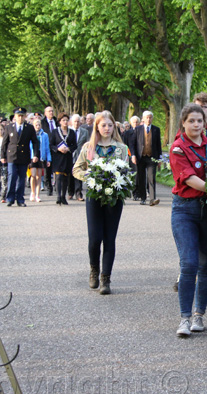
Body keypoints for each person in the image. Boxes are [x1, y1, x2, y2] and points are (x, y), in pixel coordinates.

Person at [169, 103, 207, 337]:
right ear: (183, 123)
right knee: (189, 263)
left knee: (206, 264)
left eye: (200, 121)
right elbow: (189, 178)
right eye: (191, 121)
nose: (196, 125)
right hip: (185, 210)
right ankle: (184, 318)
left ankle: (199, 314)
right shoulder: (178, 147)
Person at [73, 111, 129, 295]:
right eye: (103, 125)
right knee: (95, 238)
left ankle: (106, 278)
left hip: (114, 197)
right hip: (94, 196)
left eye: (110, 125)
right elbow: (76, 169)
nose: (107, 128)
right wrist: (89, 176)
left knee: (109, 238)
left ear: (115, 127)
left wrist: (120, 178)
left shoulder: (121, 148)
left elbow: (127, 171)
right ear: (97, 127)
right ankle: (94, 270)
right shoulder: (89, 147)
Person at [1, 107, 40, 207]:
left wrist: (35, 154)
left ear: (25, 117)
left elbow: (35, 142)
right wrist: (3, 155)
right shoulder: (9, 127)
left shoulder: (29, 127)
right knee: (12, 176)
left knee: (22, 178)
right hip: (11, 156)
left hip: (23, 156)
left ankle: (20, 199)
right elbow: (4, 143)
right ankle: (10, 198)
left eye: (22, 116)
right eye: (18, 116)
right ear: (15, 116)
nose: (20, 118)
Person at [130, 111, 162, 206]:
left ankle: (152, 199)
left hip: (152, 158)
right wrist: (133, 155)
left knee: (151, 178)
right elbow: (132, 144)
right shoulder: (138, 129)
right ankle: (143, 198)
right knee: (141, 178)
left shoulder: (156, 129)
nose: (148, 119)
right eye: (147, 118)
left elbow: (158, 145)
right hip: (140, 157)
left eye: (150, 117)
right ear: (143, 119)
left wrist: (159, 158)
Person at [50, 112, 77, 205]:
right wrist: (58, 148)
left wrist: (68, 149)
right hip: (58, 157)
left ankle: (63, 196)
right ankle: (58, 197)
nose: (65, 122)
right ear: (60, 121)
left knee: (65, 177)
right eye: (63, 120)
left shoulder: (72, 132)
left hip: (67, 157)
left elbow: (75, 145)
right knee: (58, 176)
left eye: (66, 120)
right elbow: (51, 144)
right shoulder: (55, 132)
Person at [68, 114, 89, 201]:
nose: (76, 123)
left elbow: (87, 143)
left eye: (78, 121)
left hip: (80, 156)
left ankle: (78, 193)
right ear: (72, 122)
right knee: (70, 175)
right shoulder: (68, 131)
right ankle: (70, 192)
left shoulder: (85, 132)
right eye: (75, 121)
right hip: (70, 154)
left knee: (79, 174)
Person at [29, 118, 50, 202]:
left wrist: (49, 159)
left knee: (39, 176)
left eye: (39, 125)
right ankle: (32, 192)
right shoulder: (31, 134)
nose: (37, 126)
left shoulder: (44, 135)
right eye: (36, 125)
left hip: (41, 157)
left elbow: (47, 148)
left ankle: (37, 195)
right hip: (32, 157)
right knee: (33, 175)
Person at [41, 106, 57, 196]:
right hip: (47, 148)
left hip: (57, 148)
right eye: (49, 111)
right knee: (48, 169)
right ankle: (49, 187)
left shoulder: (57, 122)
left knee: (57, 168)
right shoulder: (43, 123)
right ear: (45, 113)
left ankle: (56, 186)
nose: (51, 113)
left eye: (52, 111)